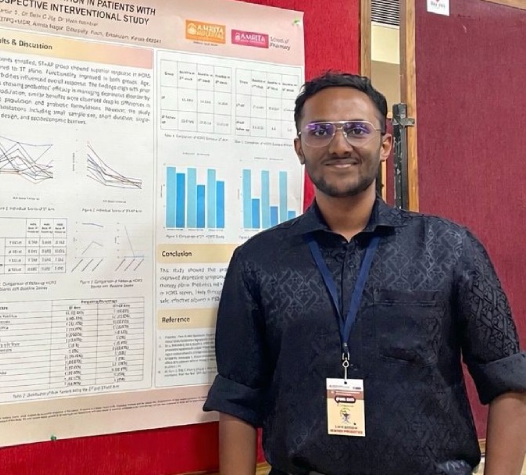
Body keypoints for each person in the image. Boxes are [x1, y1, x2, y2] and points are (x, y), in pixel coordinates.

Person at [204, 71, 526, 475]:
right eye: (319, 131)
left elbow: (508, 379)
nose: (339, 145)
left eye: (357, 129)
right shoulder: (257, 261)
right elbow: (238, 398)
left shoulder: (450, 248)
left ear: (385, 145)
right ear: (299, 148)